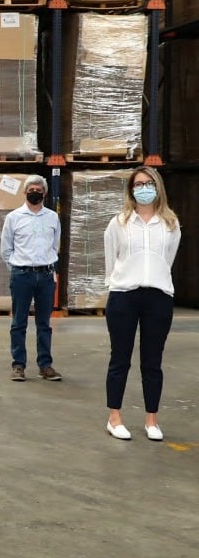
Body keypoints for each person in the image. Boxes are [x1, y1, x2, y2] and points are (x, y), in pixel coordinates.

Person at [103, 167, 181, 442]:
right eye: (138, 184)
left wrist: (154, 280)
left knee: (152, 362)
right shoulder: (119, 223)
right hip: (124, 295)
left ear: (157, 187)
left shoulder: (170, 224)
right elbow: (110, 261)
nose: (144, 188)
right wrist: (121, 283)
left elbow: (167, 261)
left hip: (158, 297)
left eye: (149, 183)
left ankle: (152, 420)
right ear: (131, 190)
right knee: (120, 359)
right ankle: (115, 417)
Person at [0, 174, 62, 382]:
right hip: (22, 276)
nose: (35, 193)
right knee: (19, 322)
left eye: (39, 190)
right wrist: (19, 267)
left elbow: (55, 245)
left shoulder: (52, 217)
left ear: (44, 193)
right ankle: (18, 365)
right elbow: (6, 249)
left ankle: (45, 365)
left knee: (44, 323)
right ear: (24, 192)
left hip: (45, 276)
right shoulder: (14, 217)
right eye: (31, 190)